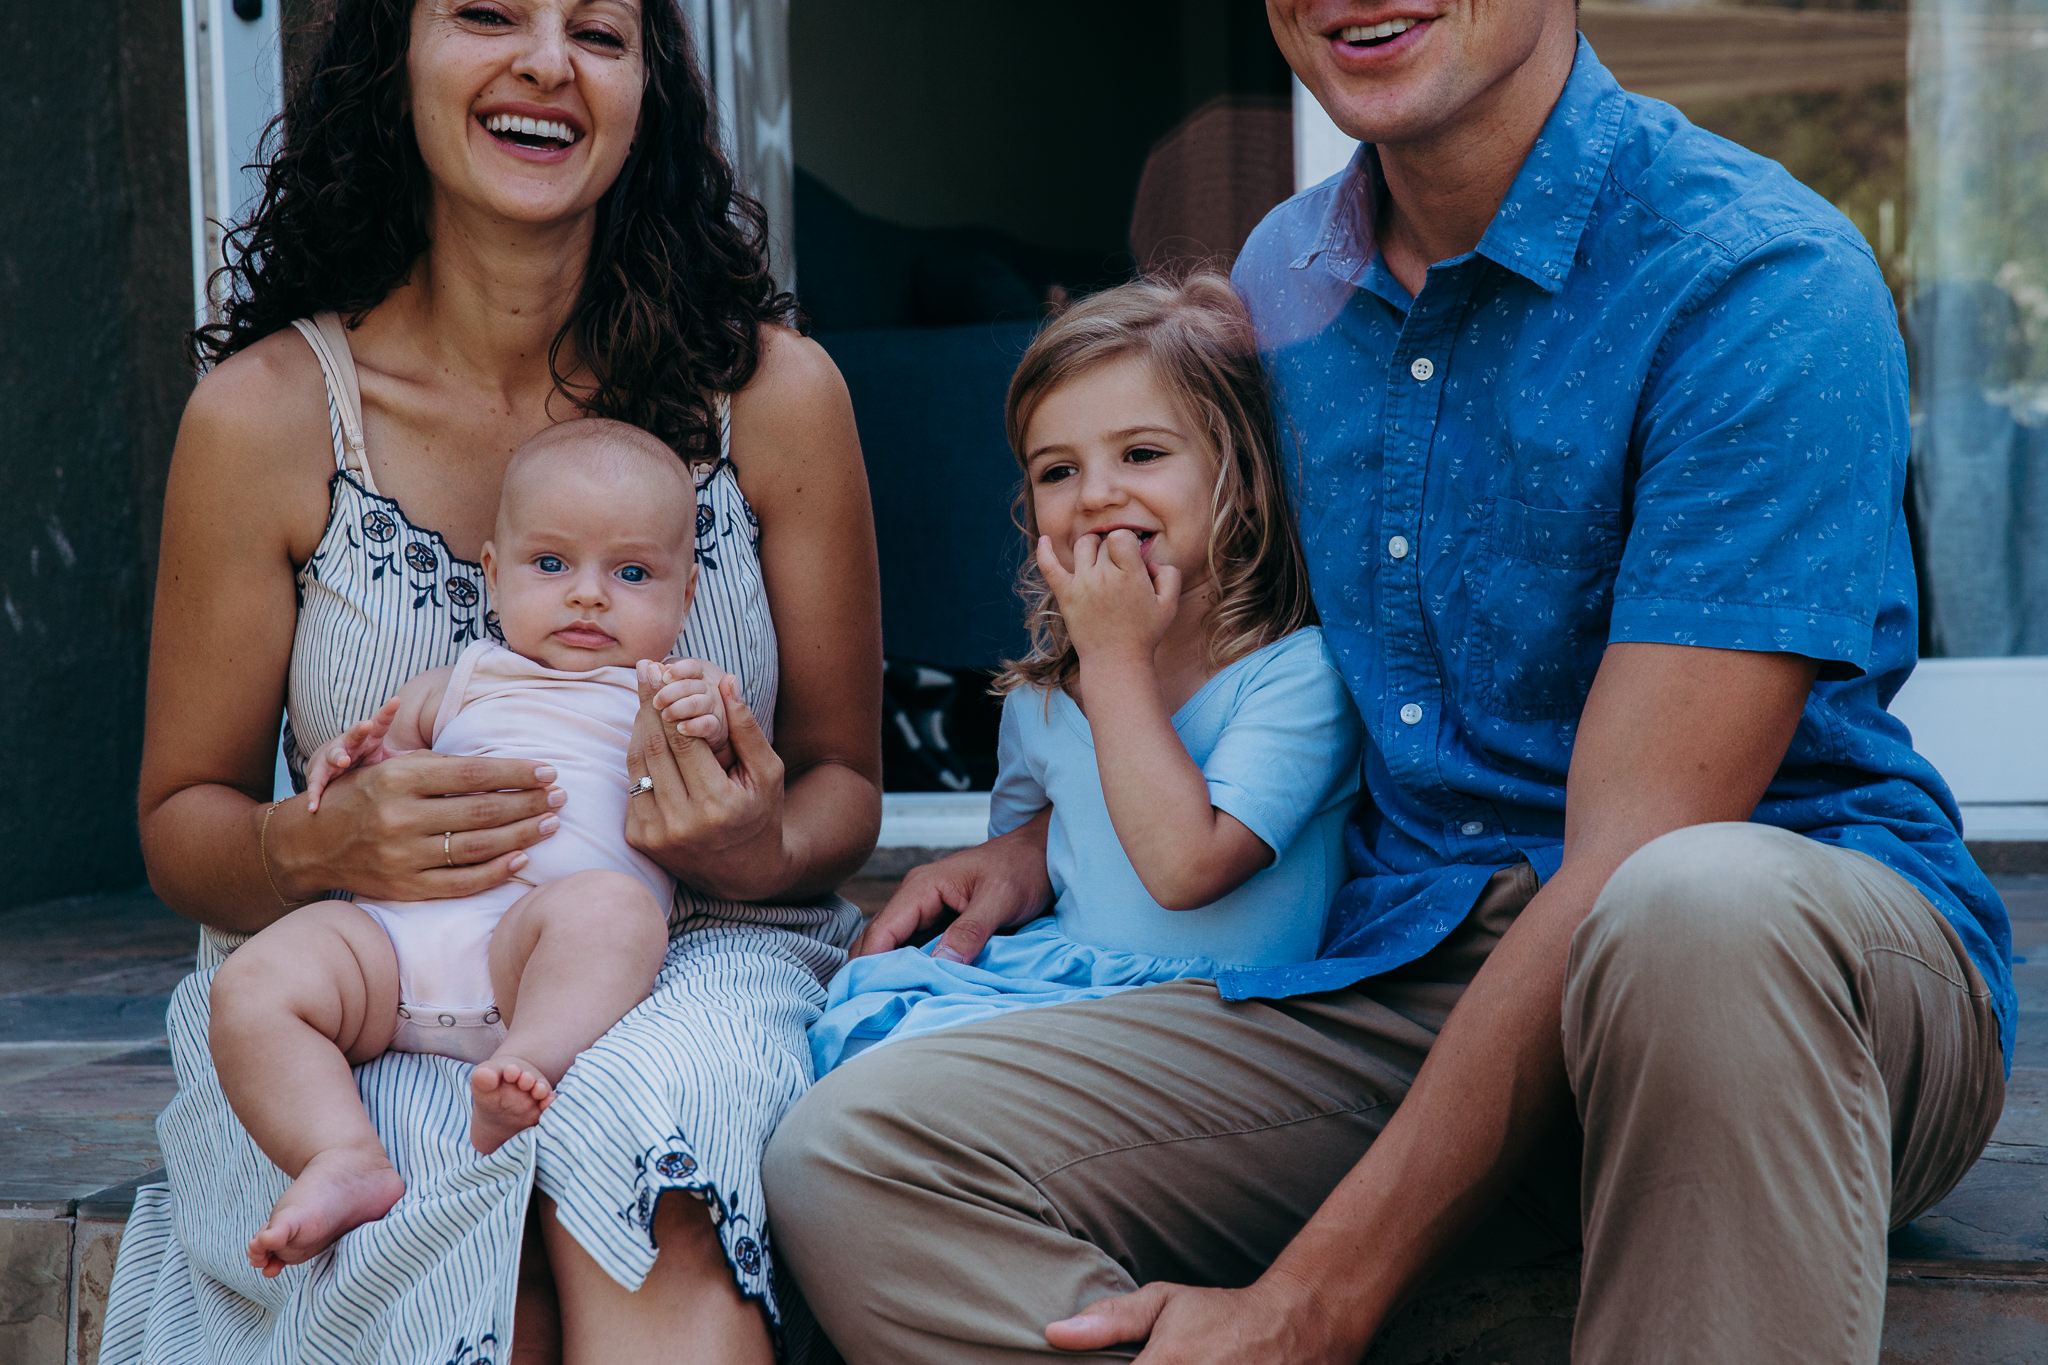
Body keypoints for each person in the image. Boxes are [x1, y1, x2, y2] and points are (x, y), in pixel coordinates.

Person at [763, 6, 2013, 1364]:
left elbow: (1630, 853)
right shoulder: (1282, 278)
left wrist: (1316, 1298)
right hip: (1407, 960)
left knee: (1690, 906)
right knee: (859, 1151)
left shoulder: (1753, 279)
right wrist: (1038, 832)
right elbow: (1218, 628)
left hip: (1771, 979)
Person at [103, 1, 881, 1362]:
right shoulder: (272, 416)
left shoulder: (774, 396)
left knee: (652, 1170)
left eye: (599, 29)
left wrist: (757, 845)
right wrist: (316, 842)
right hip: (374, 969)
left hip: (691, 949)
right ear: (391, 59)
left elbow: (848, 787)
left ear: (651, 88)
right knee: (440, 1239)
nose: (546, 63)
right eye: (485, 13)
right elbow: (183, 820)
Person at [216, 419, 744, 1274]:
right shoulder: (460, 679)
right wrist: (346, 758)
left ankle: (527, 1063)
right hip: (393, 949)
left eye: (633, 572)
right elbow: (381, 758)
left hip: (534, 958)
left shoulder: (671, 692)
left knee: (611, 912)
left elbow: (725, 787)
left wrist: (707, 729)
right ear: (493, 574)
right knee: (252, 986)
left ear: (685, 598)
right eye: (551, 564)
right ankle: (340, 1152)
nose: (587, 595)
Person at [809, 275, 1361, 1075]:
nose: (1097, 494)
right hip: (1070, 980)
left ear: (1237, 482)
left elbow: (1186, 867)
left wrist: (1113, 657)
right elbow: (1038, 867)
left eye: (1142, 453)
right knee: (862, 1026)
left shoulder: (1294, 676)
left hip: (1225, 1024)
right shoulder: (1039, 701)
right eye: (1056, 471)